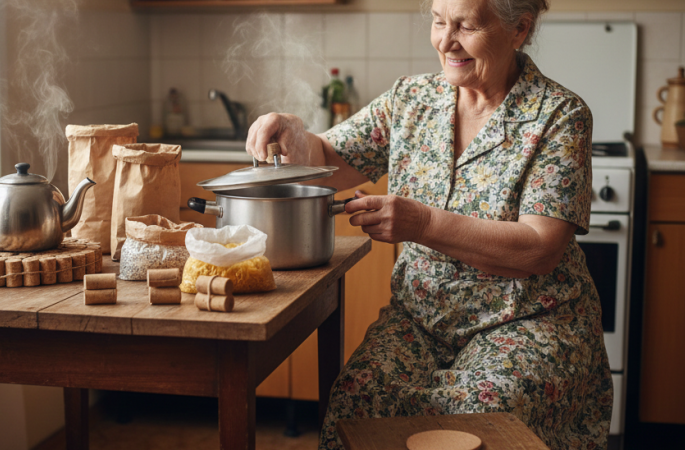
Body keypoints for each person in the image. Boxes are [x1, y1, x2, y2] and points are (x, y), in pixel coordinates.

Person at [245, 0, 613, 448]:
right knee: (355, 398)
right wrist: (292, 132)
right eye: (439, 22)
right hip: (419, 322)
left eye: (466, 26)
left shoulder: (560, 116)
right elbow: (328, 162)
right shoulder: (411, 100)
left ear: (519, 29)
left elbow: (539, 248)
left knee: (479, 414)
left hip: (526, 323)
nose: (445, 40)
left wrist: (421, 223)